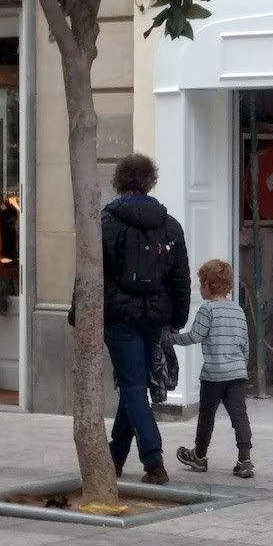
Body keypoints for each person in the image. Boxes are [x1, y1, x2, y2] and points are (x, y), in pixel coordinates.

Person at [101, 154, 190, 484]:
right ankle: (115, 458)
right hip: (154, 317)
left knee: (133, 385)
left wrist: (78, 314)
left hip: (119, 317)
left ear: (120, 182)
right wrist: (177, 318)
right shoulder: (170, 225)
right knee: (133, 384)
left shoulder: (107, 223)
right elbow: (181, 278)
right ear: (151, 181)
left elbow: (91, 274)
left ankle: (154, 461)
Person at [169, 260, 255, 479]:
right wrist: (241, 367)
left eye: (201, 284)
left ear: (208, 284)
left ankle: (199, 455)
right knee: (239, 416)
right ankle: (244, 459)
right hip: (236, 374)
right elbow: (245, 343)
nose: (200, 288)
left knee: (206, 416)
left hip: (214, 375)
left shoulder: (207, 309)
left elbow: (195, 336)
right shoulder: (237, 310)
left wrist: (170, 339)